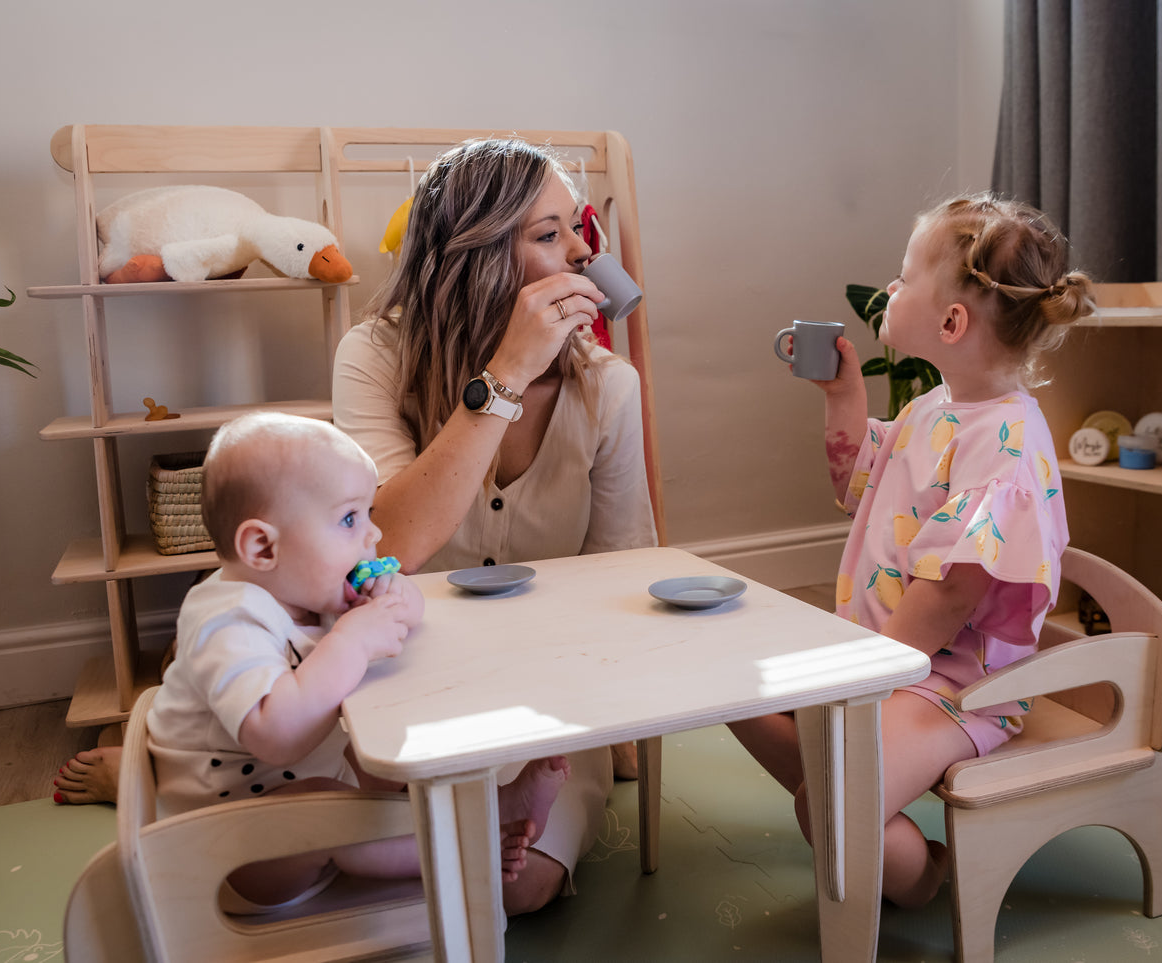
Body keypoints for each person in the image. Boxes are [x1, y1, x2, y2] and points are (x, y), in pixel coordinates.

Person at [729, 193, 1094, 908]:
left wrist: (869, 673)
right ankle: (841, 783)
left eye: (900, 278)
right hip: (892, 658)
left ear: (952, 322)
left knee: (827, 808)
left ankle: (924, 874)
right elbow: (855, 485)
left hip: (956, 687)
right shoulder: (934, 407)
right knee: (736, 698)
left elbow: (952, 592)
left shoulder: (1006, 443)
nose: (888, 289)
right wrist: (841, 395)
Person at [331, 136, 658, 912]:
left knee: (522, 885)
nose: (582, 250)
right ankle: (147, 764)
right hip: (403, 673)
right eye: (548, 235)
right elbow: (389, 546)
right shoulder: (372, 357)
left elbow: (624, 578)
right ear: (473, 257)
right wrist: (504, 376)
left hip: (552, 684)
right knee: (299, 844)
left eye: (574, 227)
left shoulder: (607, 385)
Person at [140, 411, 570, 913]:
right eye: (349, 519)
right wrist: (352, 642)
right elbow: (276, 735)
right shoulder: (227, 621)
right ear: (262, 546)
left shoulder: (306, 590)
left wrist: (391, 598)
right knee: (325, 800)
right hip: (225, 852)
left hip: (292, 820)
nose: (372, 536)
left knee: (388, 760)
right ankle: (463, 848)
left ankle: (494, 810)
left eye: (368, 514)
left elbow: (411, 613)